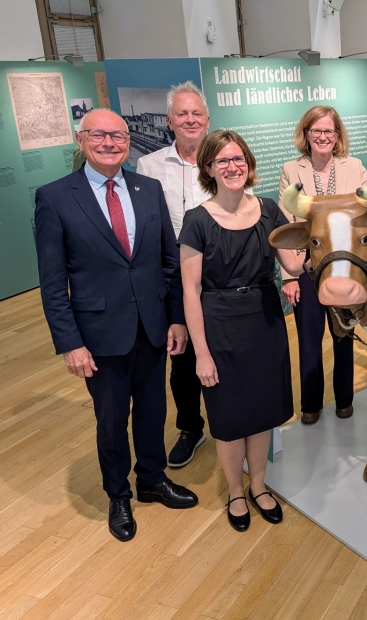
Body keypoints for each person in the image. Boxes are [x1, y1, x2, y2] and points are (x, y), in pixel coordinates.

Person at [34, 109, 198, 542]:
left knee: (153, 408)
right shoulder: (55, 197)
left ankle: (152, 478)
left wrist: (177, 318)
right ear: (81, 139)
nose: (110, 143)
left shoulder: (148, 189)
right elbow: (53, 283)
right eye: (100, 135)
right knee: (111, 419)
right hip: (99, 335)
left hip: (152, 325)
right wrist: (70, 342)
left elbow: (167, 261)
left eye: (118, 135)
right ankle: (118, 493)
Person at [178, 130, 303, 532]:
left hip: (265, 319)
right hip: (219, 326)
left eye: (238, 159)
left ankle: (260, 485)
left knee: (263, 411)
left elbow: (294, 265)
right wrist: (201, 353)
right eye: (222, 161)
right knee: (230, 417)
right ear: (208, 169)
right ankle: (235, 490)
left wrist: (317, 229)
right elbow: (190, 291)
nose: (232, 167)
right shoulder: (196, 220)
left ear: (248, 164)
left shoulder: (268, 208)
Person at [137, 81, 212, 468]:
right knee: (181, 360)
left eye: (196, 113)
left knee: (227, 352)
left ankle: (230, 418)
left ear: (207, 119)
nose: (190, 119)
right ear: (169, 122)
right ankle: (190, 427)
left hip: (221, 276)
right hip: (174, 277)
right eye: (182, 114)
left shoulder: (224, 160)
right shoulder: (149, 167)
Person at [281, 106, 367, 422]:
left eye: (328, 131)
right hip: (307, 266)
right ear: (306, 134)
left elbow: (365, 216)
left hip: (343, 266)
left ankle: (344, 399)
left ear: (337, 136)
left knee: (343, 334)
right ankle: (310, 405)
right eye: (316, 130)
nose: (322, 136)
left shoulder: (355, 167)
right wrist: (288, 276)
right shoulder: (292, 170)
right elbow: (288, 222)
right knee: (308, 336)